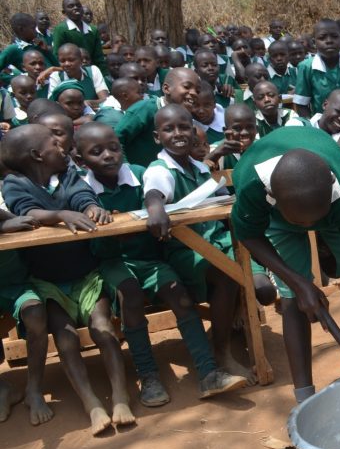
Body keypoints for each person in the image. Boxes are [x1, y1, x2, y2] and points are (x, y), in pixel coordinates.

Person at [75, 123, 249, 405]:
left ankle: (209, 372)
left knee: (178, 294)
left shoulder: (140, 175)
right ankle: (149, 375)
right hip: (114, 261)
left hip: (151, 258)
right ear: (80, 159)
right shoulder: (83, 192)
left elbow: (159, 194)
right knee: (130, 294)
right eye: (97, 152)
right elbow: (94, 245)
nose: (108, 155)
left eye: (114, 148)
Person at [230, 126, 340, 404]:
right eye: (302, 223)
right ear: (272, 194)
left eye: (314, 220)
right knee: (293, 300)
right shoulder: (251, 184)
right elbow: (248, 233)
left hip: (333, 210)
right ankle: (304, 400)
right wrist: (298, 283)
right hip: (280, 217)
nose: (310, 228)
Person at [2, 124, 132, 435]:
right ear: (37, 155)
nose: (64, 147)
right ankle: (92, 405)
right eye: (54, 143)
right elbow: (27, 213)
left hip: (85, 275)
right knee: (66, 338)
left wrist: (89, 207)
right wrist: (61, 215)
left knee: (103, 329)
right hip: (47, 283)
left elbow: (82, 196)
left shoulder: (69, 175)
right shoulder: (14, 184)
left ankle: (120, 397)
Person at [142, 104, 254, 381]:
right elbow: (154, 192)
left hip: (218, 240)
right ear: (158, 137)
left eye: (184, 127)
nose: (178, 134)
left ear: (194, 132)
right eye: (169, 129)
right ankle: (223, 352)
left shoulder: (197, 167)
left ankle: (237, 317)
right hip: (187, 249)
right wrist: (155, 208)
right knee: (226, 274)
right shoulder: (159, 169)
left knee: (254, 271)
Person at [0, 204, 50, 426]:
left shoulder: (6, 186)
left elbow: (26, 222)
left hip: (18, 282)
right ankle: (3, 390)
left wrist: (7, 221)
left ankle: (34, 390)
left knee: (35, 313)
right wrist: (4, 226)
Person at [115, 67, 201, 165]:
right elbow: (116, 138)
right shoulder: (147, 108)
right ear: (166, 88)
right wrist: (128, 169)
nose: (194, 93)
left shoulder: (186, 116)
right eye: (187, 86)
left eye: (198, 91)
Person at [294, 20, 340, 118]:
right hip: (322, 128)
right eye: (322, 37)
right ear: (314, 42)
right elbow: (301, 104)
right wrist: (313, 128)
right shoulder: (306, 67)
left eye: (334, 36)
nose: (329, 41)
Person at [51, 0, 106, 75]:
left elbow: (98, 56)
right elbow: (57, 55)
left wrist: (104, 74)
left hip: (92, 72)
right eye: (71, 6)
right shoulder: (61, 29)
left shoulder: (93, 30)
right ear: (64, 12)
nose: (75, 8)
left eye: (78, 5)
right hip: (71, 73)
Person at [1, 13, 57, 86]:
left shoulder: (38, 44)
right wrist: (21, 78)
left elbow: (57, 65)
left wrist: (47, 51)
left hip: (53, 83)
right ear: (21, 29)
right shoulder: (13, 49)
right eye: (33, 28)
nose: (36, 32)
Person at [49, 42, 109, 108]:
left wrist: (89, 103)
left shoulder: (93, 71)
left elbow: (106, 100)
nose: (67, 64)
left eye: (71, 60)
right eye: (62, 61)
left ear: (81, 60)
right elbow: (53, 105)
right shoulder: (56, 77)